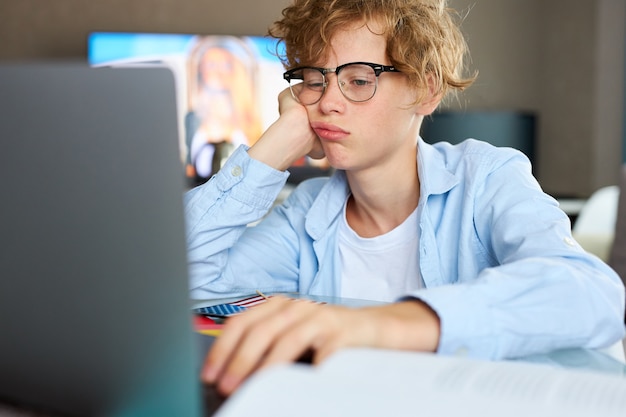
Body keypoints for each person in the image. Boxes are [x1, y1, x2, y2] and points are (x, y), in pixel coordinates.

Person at [184, 0, 626, 396]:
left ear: (426, 91)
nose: (327, 103)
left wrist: (383, 325)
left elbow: (588, 291)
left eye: (358, 80)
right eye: (313, 80)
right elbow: (180, 279)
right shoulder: (308, 212)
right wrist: (275, 147)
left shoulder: (486, 177)